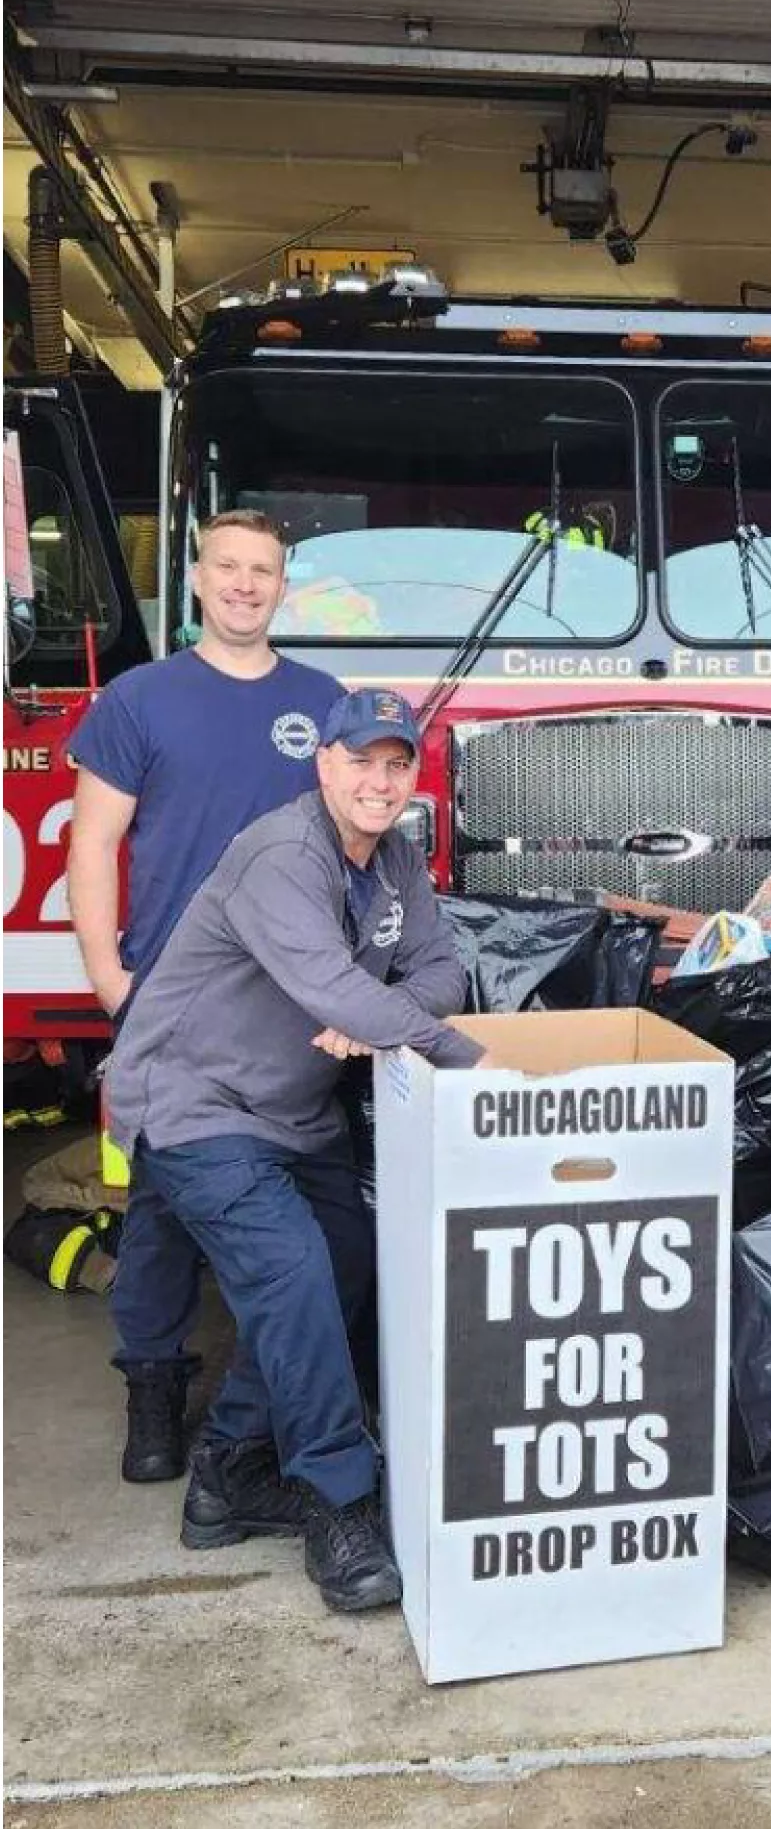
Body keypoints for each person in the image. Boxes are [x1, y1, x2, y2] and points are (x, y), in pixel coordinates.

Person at [104, 688, 484, 1614]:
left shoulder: (394, 858)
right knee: (295, 1273)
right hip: (195, 1103)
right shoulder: (282, 851)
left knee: (349, 1261)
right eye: (363, 761)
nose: (380, 781)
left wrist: (377, 1014)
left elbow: (444, 968)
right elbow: (344, 991)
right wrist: (476, 1057)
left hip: (292, 1111)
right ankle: (338, 1499)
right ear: (325, 764)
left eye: (397, 765)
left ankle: (230, 1469)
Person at [68, 509, 343, 1487]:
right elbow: (92, 844)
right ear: (196, 578)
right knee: (160, 1207)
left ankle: (290, 1393)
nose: (243, 583)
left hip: (294, 1009)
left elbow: (355, 844)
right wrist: (113, 982)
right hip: (174, 1005)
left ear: (282, 587)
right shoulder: (140, 700)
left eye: (261, 569)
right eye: (227, 566)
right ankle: (152, 1386)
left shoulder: (325, 700)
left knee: (313, 1198)